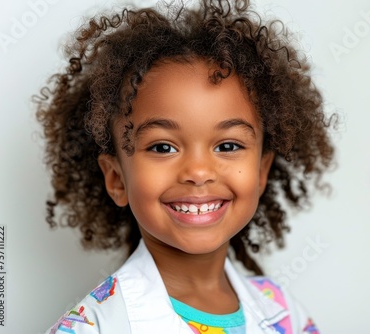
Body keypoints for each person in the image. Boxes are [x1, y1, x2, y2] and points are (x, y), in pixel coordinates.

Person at [36, 0, 334, 332]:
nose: (198, 172)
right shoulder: (91, 326)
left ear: (261, 172)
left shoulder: (283, 309)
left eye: (228, 146)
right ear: (117, 179)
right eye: (163, 147)